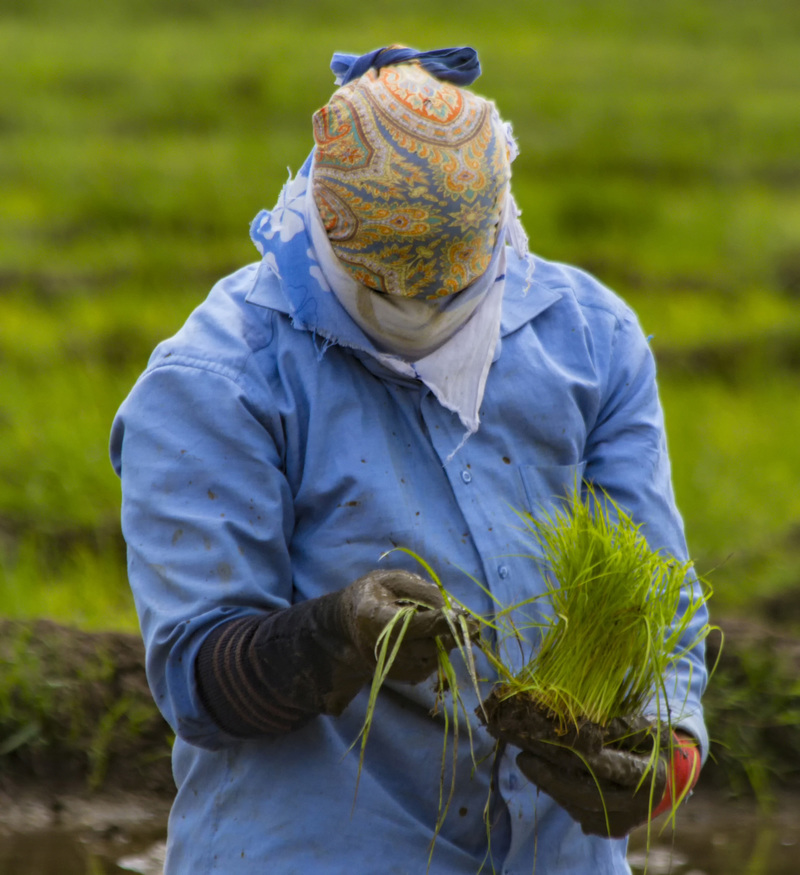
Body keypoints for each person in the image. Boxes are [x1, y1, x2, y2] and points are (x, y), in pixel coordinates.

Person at [110, 45, 708, 875]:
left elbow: (657, 601)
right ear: (329, 230)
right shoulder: (220, 380)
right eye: (390, 292)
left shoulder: (589, 340)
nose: (424, 312)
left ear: (496, 223)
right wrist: (337, 634)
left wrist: (666, 756)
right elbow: (196, 680)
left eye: (450, 291)